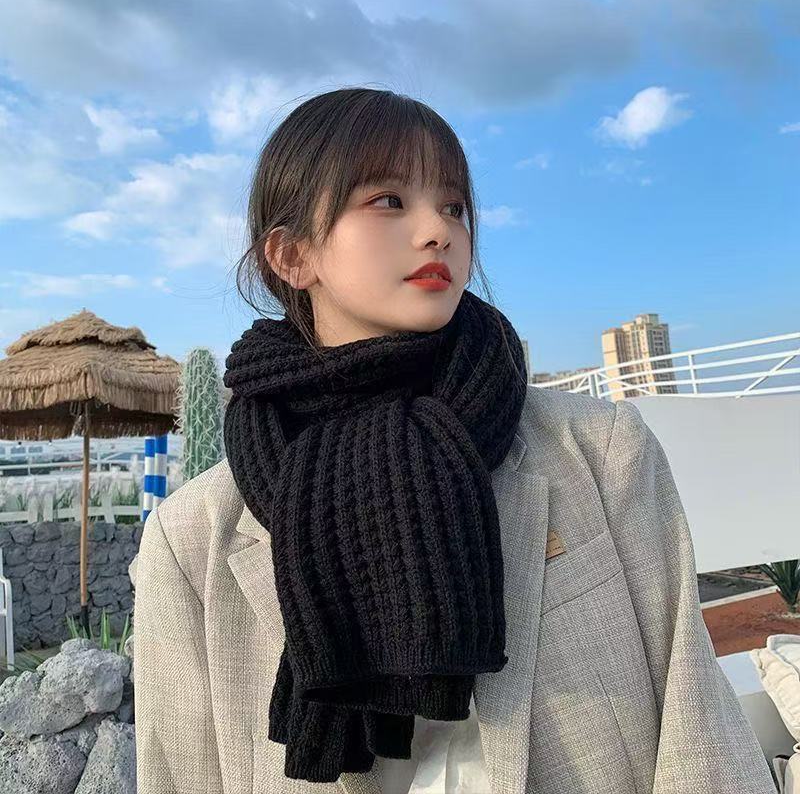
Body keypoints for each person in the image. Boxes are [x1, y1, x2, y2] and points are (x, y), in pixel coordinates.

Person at [132, 87, 777, 794]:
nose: (438, 231)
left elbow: (696, 722)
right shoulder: (192, 537)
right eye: (388, 200)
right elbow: (178, 775)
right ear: (292, 256)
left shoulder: (599, 450)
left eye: (455, 207)